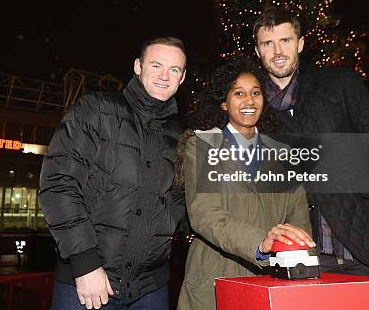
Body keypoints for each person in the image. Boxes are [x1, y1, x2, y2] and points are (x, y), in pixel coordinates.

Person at [253, 8, 369, 308]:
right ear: (258, 50)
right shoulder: (251, 105)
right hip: (303, 262)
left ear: (301, 44)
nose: (278, 51)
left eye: (285, 40)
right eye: (268, 43)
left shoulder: (340, 84)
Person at [39, 37, 188, 309]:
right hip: (88, 282)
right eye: (156, 65)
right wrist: (85, 264)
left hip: (151, 289)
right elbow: (59, 184)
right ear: (137, 66)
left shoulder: (179, 136)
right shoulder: (96, 109)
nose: (165, 76)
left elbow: (178, 200)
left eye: (174, 69)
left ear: (183, 77)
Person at [177, 59, 314, 310]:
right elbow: (205, 214)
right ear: (223, 102)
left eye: (256, 93)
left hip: (273, 279)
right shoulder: (203, 145)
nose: (249, 101)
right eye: (238, 93)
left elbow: (299, 220)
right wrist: (260, 243)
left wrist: (300, 262)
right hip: (214, 278)